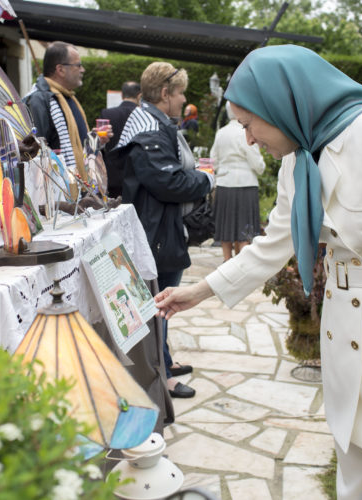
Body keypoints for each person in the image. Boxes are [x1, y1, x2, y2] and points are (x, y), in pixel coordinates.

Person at [155, 45, 362, 499]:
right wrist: (199, 292)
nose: (248, 140)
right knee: (351, 457)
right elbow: (273, 246)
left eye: (248, 124)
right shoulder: (298, 160)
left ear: (281, 105)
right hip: (344, 327)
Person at [117, 62, 214, 399]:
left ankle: (166, 362)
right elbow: (168, 182)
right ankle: (162, 377)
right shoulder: (150, 132)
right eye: (180, 93)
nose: (183, 99)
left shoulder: (153, 125)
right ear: (164, 93)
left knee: (162, 305)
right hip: (155, 233)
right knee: (159, 305)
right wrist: (206, 179)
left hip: (159, 230)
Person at [24, 41, 111, 182]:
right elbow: (36, 150)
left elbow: (77, 145)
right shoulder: (39, 100)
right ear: (60, 69)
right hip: (59, 191)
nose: (82, 70)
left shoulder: (67, 98)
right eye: (78, 65)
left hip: (78, 187)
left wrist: (96, 140)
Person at [210, 100, 265, 261]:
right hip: (246, 184)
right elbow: (257, 162)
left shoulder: (221, 132)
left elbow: (214, 160)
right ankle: (242, 263)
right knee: (244, 230)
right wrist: (260, 168)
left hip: (225, 183)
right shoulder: (246, 131)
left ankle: (227, 261)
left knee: (226, 226)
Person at [99, 81, 141, 198]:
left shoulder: (107, 113)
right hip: (137, 174)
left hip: (112, 175)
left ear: (122, 95)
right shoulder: (144, 115)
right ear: (139, 96)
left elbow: (101, 142)